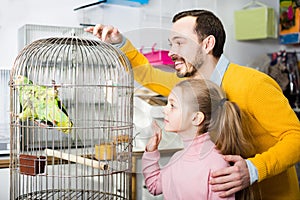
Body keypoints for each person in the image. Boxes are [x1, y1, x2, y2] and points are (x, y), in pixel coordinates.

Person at [85, 9, 300, 199]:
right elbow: (148, 74)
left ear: (207, 44)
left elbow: (296, 137)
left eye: (180, 43)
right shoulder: (189, 88)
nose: (171, 52)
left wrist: (254, 169)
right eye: (171, 44)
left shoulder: (254, 84)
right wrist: (120, 43)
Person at [142, 79, 256, 199]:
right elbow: (154, 186)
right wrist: (151, 151)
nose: (164, 110)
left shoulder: (217, 166)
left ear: (196, 118)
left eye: (172, 105)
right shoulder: (177, 158)